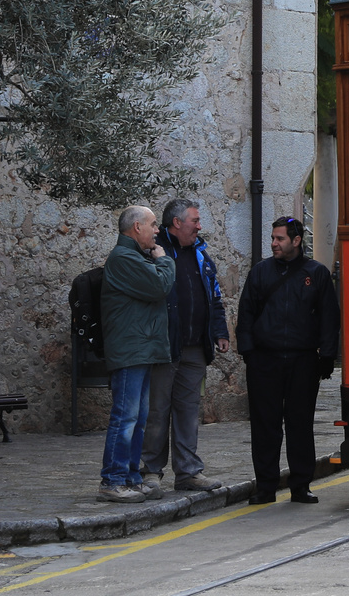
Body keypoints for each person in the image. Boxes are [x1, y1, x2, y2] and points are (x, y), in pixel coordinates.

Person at [236, 217, 340, 505]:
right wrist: (248, 352)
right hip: (264, 361)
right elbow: (246, 313)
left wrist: (327, 356)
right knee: (264, 425)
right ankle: (266, 486)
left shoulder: (316, 274)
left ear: (296, 241)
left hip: (302, 361)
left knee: (300, 424)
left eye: (280, 238)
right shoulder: (260, 273)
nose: (274, 243)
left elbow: (329, 318)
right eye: (272, 238)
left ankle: (300, 485)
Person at [140, 198, 231, 494]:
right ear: (177, 223)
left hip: (195, 347)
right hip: (164, 346)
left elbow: (214, 296)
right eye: (195, 220)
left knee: (188, 411)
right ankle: (150, 471)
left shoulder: (201, 254)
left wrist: (220, 332)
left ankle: (188, 472)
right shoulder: (154, 252)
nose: (199, 226)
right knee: (157, 411)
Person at [98, 205, 175, 503]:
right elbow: (159, 286)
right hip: (131, 349)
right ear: (136, 228)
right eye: (153, 224)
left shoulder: (134, 257)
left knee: (139, 417)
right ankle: (112, 479)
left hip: (141, 349)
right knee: (125, 417)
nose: (157, 230)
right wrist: (165, 261)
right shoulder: (124, 258)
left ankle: (130, 477)